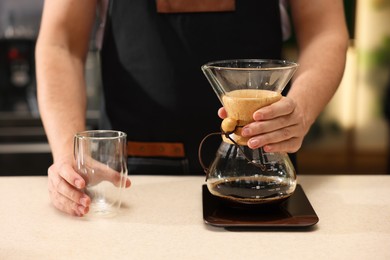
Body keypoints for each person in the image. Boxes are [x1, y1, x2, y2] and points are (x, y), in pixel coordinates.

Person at [35, 0, 349, 216]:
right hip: (128, 187)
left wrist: (301, 109)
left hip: (261, 175)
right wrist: (68, 154)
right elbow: (59, 43)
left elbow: (325, 32)